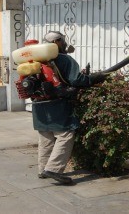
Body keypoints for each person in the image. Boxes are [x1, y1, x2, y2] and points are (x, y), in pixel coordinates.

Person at [33, 31, 107, 185]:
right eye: (63, 41)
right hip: (58, 104)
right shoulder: (64, 59)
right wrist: (94, 78)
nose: (65, 44)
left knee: (46, 136)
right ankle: (53, 169)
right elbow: (77, 80)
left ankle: (42, 170)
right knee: (65, 135)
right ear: (57, 41)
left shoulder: (35, 59)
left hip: (39, 106)